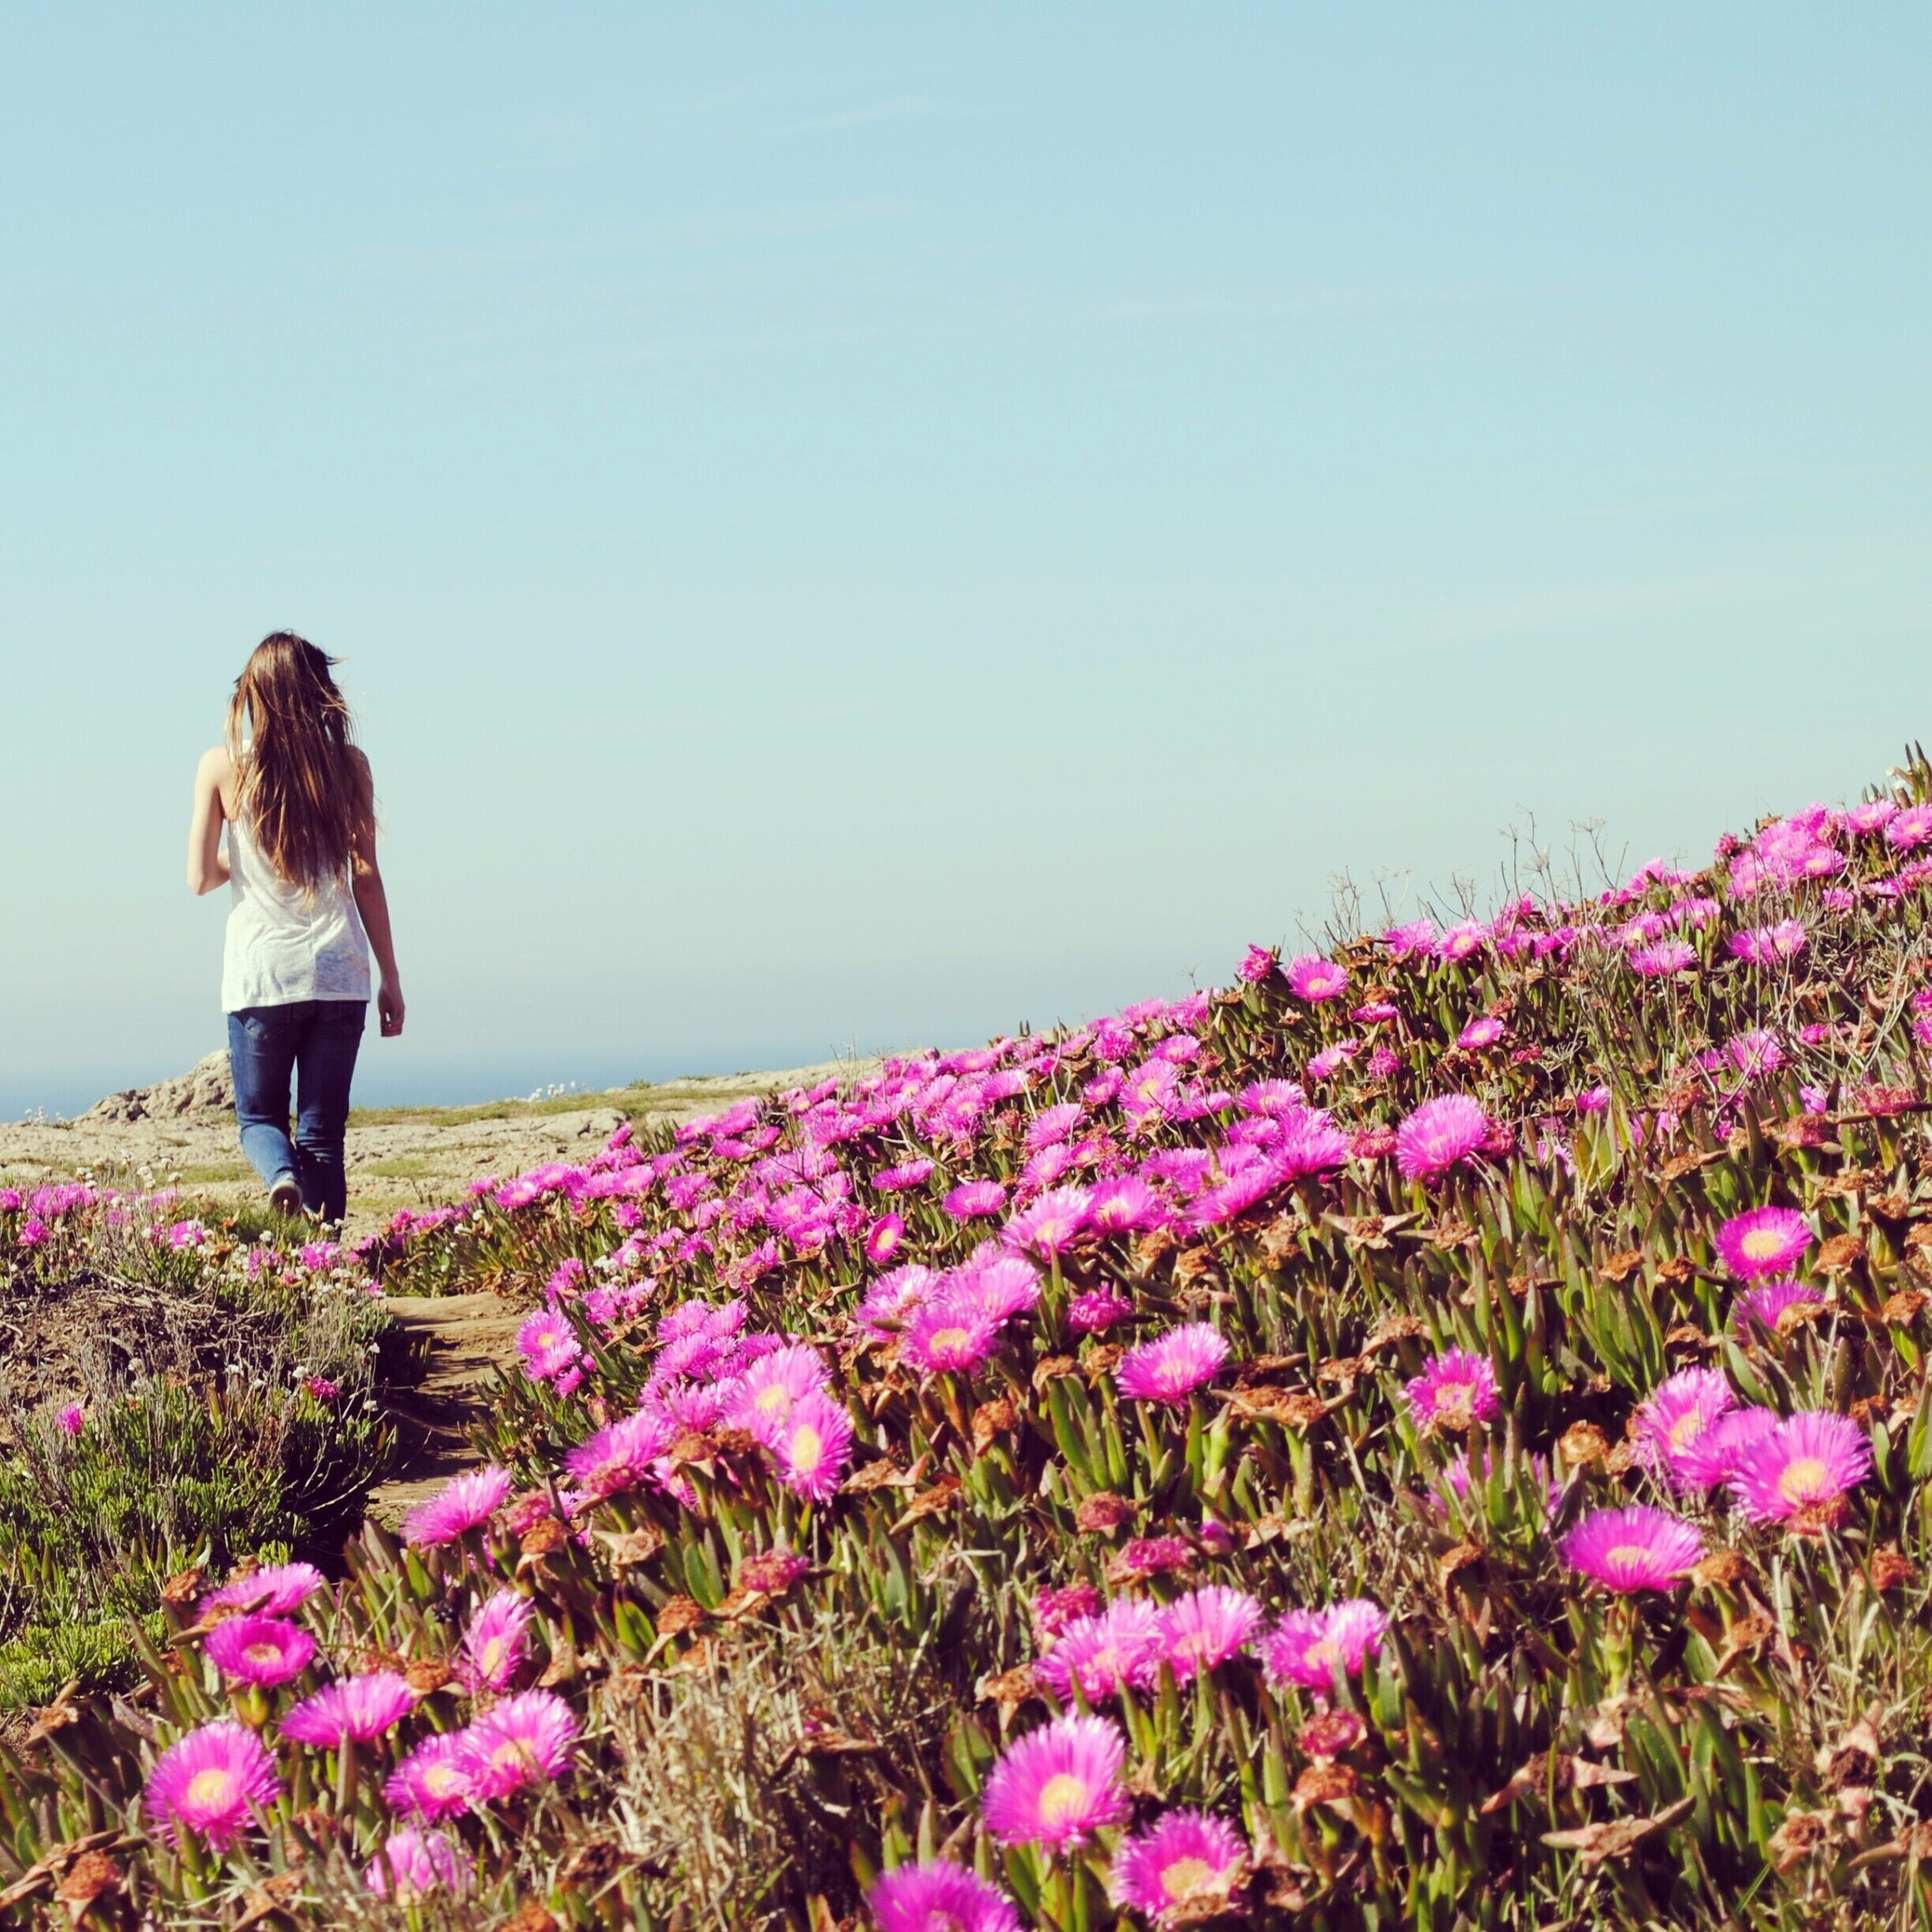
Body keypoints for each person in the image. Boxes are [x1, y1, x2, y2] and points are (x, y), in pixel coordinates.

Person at [185, 633, 404, 1225]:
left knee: (260, 1120)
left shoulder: (222, 766)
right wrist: (391, 978)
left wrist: (245, 857)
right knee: (324, 1135)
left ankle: (281, 1176)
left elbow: (199, 877)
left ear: (254, 694)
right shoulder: (350, 767)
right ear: (319, 692)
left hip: (263, 978)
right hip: (340, 975)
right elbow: (367, 878)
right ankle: (324, 1260)